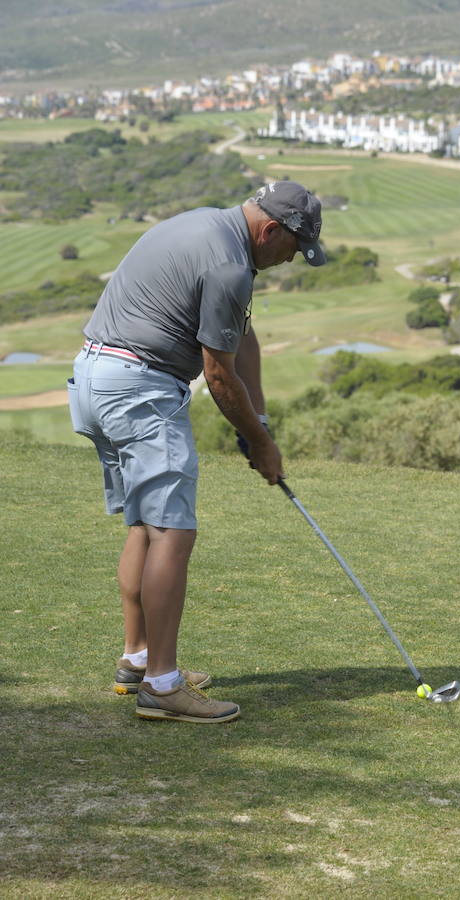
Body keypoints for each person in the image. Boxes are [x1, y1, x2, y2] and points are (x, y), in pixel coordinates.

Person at [67, 180, 326, 724]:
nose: (291, 260)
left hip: (95, 376)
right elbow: (217, 373)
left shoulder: (209, 225)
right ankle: (163, 686)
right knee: (173, 532)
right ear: (271, 229)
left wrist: (260, 421)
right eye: (294, 249)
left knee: (145, 522)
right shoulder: (230, 265)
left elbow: (241, 339)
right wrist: (261, 444)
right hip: (140, 387)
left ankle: (138, 659)